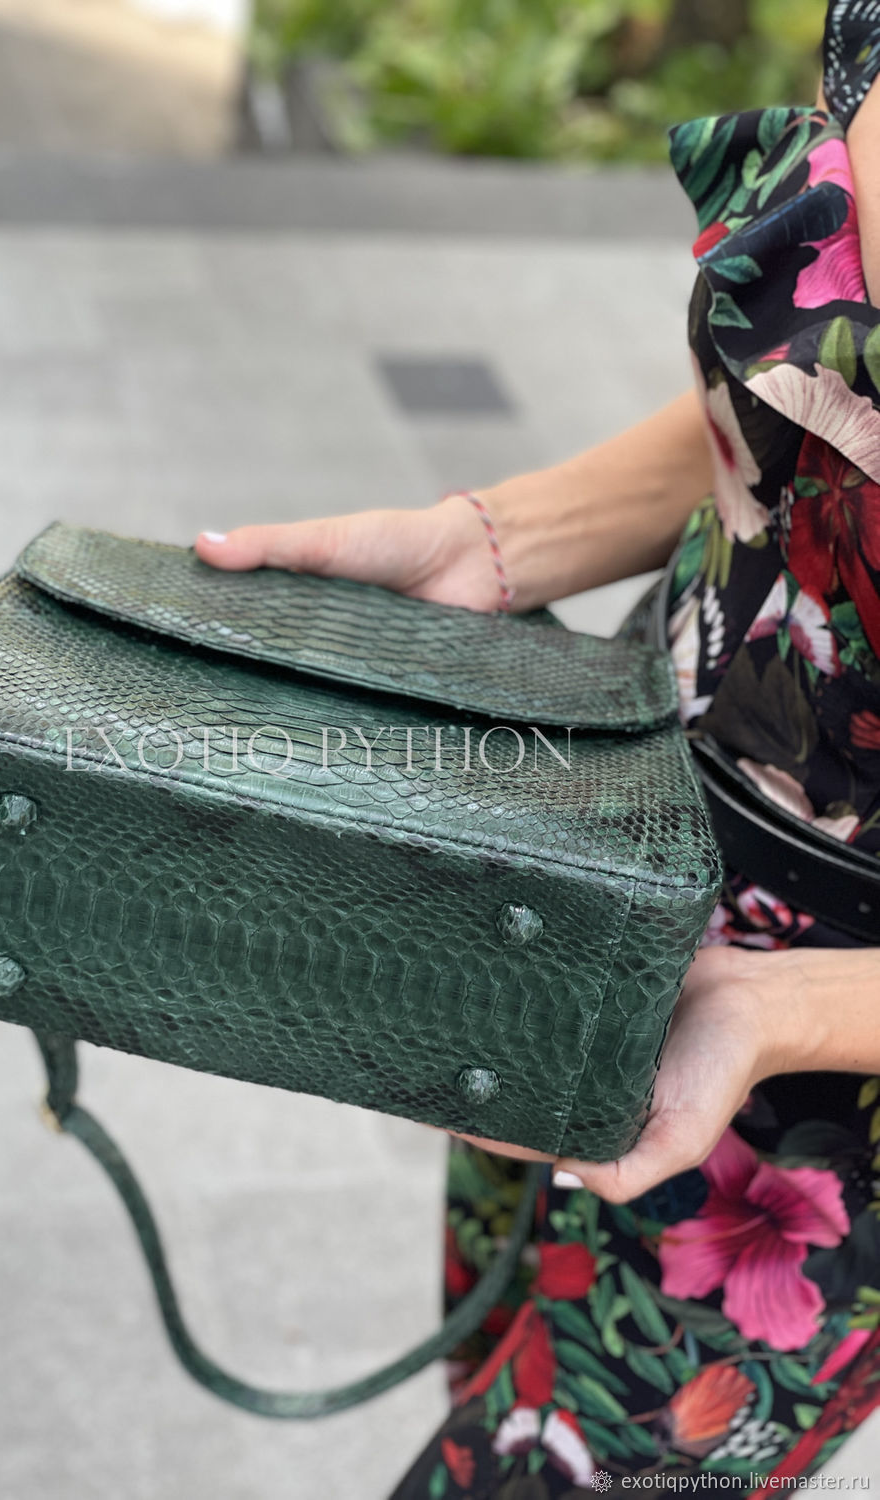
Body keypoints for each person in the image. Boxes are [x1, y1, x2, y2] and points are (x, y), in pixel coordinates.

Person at [196, 3, 880, 1490]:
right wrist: (497, 538)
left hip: (820, 1102)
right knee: (493, 1351)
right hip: (612, 843)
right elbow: (820, 400)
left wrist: (778, 1011)